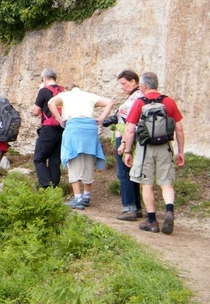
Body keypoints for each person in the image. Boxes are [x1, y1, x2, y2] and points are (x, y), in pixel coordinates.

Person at [119, 72, 185, 234]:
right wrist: (180, 151)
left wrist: (127, 151)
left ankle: (152, 221)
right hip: (164, 147)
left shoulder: (140, 102)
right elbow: (179, 128)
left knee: (146, 184)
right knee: (166, 183)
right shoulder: (168, 101)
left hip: (145, 148)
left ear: (144, 86)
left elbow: (130, 129)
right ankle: (169, 211)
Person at [48, 85, 113, 209]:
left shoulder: (65, 95)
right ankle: (87, 196)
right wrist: (101, 118)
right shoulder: (89, 95)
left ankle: (78, 198)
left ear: (69, 89)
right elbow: (110, 102)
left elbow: (51, 102)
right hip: (90, 128)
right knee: (88, 160)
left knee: (73, 159)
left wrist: (60, 118)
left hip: (74, 127)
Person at [113, 70, 144, 221]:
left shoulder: (134, 100)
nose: (122, 87)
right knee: (133, 172)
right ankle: (137, 207)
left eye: (124, 84)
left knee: (124, 172)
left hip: (127, 137)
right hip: (138, 138)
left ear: (133, 82)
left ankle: (129, 208)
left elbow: (128, 124)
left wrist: (124, 144)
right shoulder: (142, 97)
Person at [31, 68, 64, 188]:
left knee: (39, 159)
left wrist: (40, 90)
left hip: (48, 129)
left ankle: (46, 187)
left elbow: (35, 111)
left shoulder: (43, 91)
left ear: (44, 78)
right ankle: (54, 188)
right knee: (55, 161)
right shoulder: (63, 91)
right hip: (62, 128)